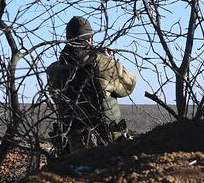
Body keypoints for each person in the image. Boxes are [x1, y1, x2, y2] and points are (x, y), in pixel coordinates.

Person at [45, 16, 137, 156]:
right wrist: (111, 61)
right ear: (89, 39)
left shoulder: (54, 71)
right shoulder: (103, 64)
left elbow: (56, 97)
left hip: (72, 144)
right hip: (108, 143)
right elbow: (129, 86)